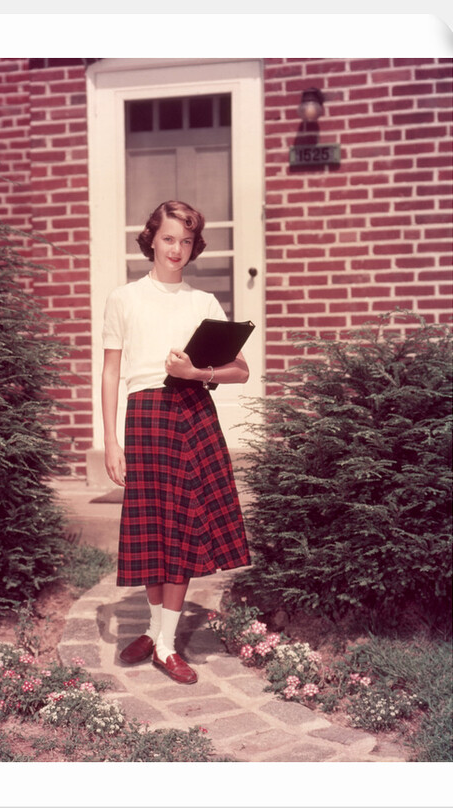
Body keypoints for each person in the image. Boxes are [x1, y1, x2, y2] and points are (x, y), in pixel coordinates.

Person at [101, 200, 250, 685]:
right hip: (145, 416)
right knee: (151, 525)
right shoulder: (124, 299)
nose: (176, 249)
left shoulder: (202, 302)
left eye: (186, 241)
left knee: (182, 525)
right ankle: (153, 628)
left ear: (194, 246)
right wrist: (111, 441)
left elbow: (241, 370)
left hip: (191, 413)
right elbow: (110, 372)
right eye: (168, 238)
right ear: (151, 240)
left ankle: (165, 645)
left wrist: (196, 373)